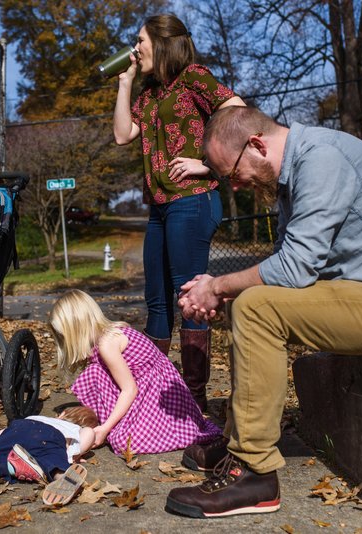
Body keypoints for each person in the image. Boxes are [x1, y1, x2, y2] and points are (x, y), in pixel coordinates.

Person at [164, 106, 362, 518]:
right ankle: (239, 442)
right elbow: (284, 274)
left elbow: (295, 268)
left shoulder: (322, 159)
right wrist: (220, 300)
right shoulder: (293, 177)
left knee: (253, 307)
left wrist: (216, 286)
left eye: (232, 173)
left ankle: (254, 473)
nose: (235, 186)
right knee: (245, 306)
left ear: (256, 144)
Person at [112, 13, 245, 411]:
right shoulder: (149, 93)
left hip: (192, 199)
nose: (135, 48)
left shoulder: (194, 78)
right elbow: (122, 135)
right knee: (157, 300)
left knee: (190, 297)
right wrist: (125, 82)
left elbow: (237, 111)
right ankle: (154, 392)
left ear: (162, 41)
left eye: (140, 40)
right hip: (159, 207)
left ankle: (194, 398)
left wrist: (208, 163)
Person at [48, 289, 223, 455]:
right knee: (94, 372)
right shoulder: (107, 335)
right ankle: (115, 421)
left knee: (123, 441)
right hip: (150, 388)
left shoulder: (107, 343)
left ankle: (127, 424)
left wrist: (106, 428)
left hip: (159, 397)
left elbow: (130, 389)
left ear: (76, 328)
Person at [0, 406, 97, 505]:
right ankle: (61, 476)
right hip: (50, 435)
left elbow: (2, 433)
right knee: (51, 461)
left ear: (62, 414)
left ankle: (14, 465)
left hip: (19, 427)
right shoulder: (74, 428)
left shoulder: (36, 417)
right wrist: (73, 455)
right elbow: (89, 433)